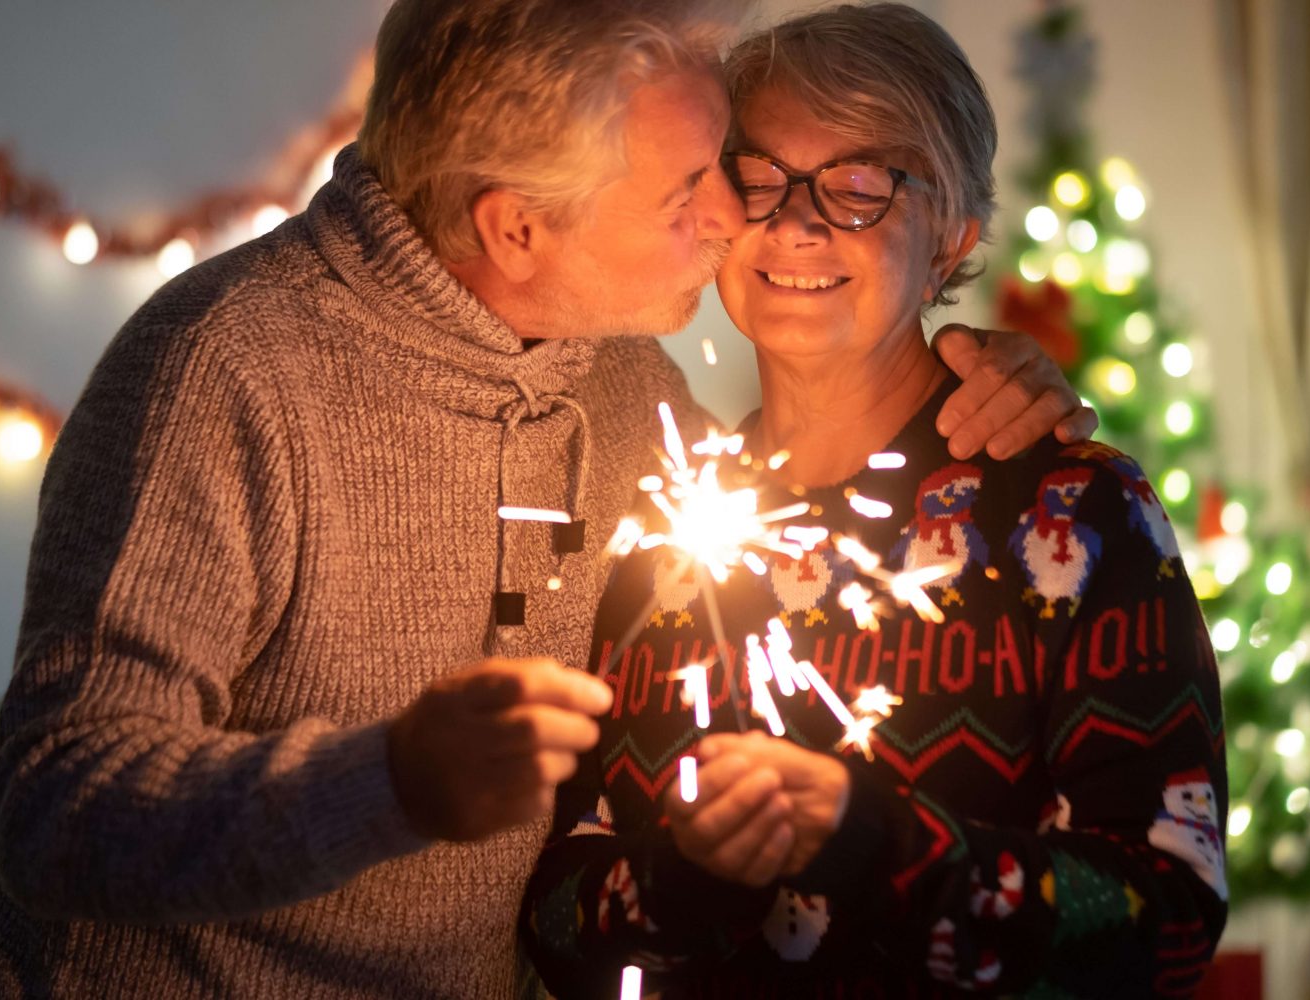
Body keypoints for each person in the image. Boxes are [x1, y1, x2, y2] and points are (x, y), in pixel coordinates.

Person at [0, 2, 1097, 998]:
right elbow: (55, 806)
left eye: (724, 163)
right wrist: (392, 781)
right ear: (515, 226)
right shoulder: (222, 373)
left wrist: (980, 371)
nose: (731, 218)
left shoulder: (618, 380)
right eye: (686, 188)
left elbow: (810, 489)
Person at [521, 4, 1228, 998]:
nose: (800, 221)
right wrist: (685, 872)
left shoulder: (1071, 508)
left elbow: (1172, 915)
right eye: (760, 174)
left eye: (861, 182)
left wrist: (877, 840)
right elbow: (555, 912)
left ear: (952, 233)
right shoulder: (666, 526)